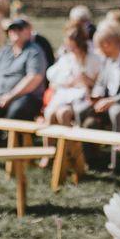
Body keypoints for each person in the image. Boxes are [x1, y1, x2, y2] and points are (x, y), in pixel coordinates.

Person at [73, 20, 120, 170]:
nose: (97, 50)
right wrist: (95, 97)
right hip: (107, 103)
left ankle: (119, 165)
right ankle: (91, 161)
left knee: (116, 111)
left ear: (107, 44)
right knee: (80, 109)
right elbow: (100, 85)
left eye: (98, 46)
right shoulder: (107, 60)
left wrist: (112, 101)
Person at [0, 18, 48, 146]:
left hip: (25, 97)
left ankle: (15, 144)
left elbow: (33, 79)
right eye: (12, 29)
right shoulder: (4, 51)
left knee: (16, 111)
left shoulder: (35, 51)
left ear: (28, 32)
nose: (15, 32)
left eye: (19, 28)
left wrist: (10, 96)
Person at [40, 22, 101, 165]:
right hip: (64, 94)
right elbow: (53, 77)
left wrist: (87, 80)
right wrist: (65, 82)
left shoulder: (94, 59)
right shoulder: (66, 58)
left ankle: (68, 154)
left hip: (82, 98)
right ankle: (48, 152)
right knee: (50, 114)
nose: (71, 49)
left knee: (63, 114)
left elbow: (100, 83)